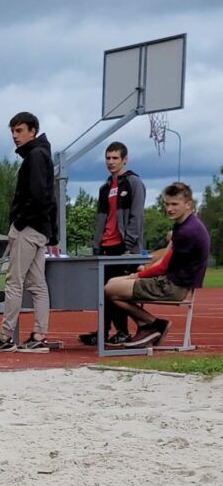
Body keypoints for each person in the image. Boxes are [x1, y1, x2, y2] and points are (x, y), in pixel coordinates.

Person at [0, 111, 59, 353]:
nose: (15, 136)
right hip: (40, 229)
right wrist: (52, 234)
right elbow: (50, 198)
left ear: (32, 130)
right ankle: (39, 335)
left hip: (29, 229)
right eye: (12, 131)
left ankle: (5, 336)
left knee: (14, 281)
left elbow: (37, 196)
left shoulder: (35, 156)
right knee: (37, 284)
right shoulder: (43, 154)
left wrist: (20, 221)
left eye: (19, 130)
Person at [104, 182, 209, 347]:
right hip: (172, 282)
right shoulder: (185, 225)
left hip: (173, 286)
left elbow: (162, 267)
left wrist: (135, 275)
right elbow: (165, 256)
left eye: (175, 204)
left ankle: (154, 324)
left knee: (110, 289)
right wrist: (145, 267)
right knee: (112, 283)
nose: (169, 208)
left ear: (188, 204)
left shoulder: (188, 231)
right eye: (167, 204)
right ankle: (146, 327)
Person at [79, 142, 146, 347]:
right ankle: (104, 331)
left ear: (124, 159)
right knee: (103, 293)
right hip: (106, 247)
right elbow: (101, 218)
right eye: (108, 158)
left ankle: (123, 331)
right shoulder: (105, 187)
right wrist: (96, 243)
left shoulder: (134, 183)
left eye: (115, 158)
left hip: (124, 248)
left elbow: (137, 216)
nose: (111, 162)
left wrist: (129, 245)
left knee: (116, 291)